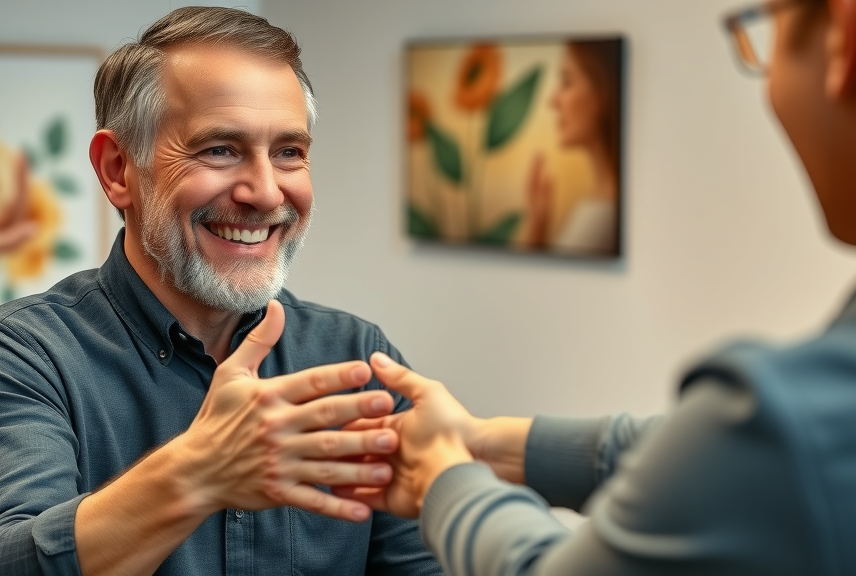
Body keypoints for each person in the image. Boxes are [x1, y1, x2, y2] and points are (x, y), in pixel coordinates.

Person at [338, 0, 856, 574]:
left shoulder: (792, 423)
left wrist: (444, 475)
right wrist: (480, 440)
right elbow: (708, 458)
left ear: (843, 38)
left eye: (771, 33)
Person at [0, 7, 441, 576]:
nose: (265, 192)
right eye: (219, 149)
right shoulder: (19, 357)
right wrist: (195, 473)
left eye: (288, 152)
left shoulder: (357, 359)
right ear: (119, 170)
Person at [521, 40, 622, 256]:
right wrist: (538, 224)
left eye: (567, 82)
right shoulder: (601, 210)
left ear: (602, 91)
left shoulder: (601, 218)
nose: (552, 101)